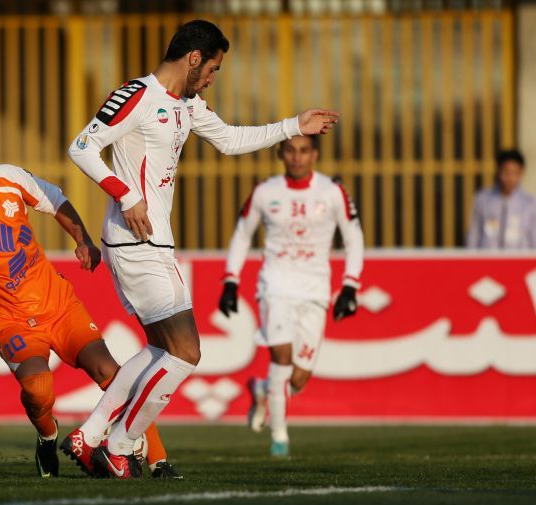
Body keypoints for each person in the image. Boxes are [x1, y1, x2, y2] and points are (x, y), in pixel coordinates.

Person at [64, 19, 339, 478]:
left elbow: (230, 140)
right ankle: (120, 443)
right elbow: (82, 147)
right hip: (134, 241)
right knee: (185, 352)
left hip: (155, 242)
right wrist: (126, 196)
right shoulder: (136, 95)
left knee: (161, 350)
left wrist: (294, 124)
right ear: (194, 59)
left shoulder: (186, 104)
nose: (212, 78)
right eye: (212, 69)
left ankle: (90, 434)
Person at [0, 119, 175, 479]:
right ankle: (46, 435)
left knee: (109, 371)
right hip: (10, 321)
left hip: (58, 304)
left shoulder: (8, 178)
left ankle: (159, 461)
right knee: (38, 389)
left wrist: (82, 239)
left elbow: (55, 200)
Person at [217, 134, 363, 456]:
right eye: (291, 151)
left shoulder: (332, 191)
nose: (297, 157)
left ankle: (261, 390)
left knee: (298, 378)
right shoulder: (265, 192)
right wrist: (231, 281)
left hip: (315, 290)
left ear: (314, 154)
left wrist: (351, 285)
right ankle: (279, 438)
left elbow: (353, 236)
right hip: (276, 286)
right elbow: (242, 235)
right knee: (281, 357)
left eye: (304, 151)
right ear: (281, 154)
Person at [467, 149, 536, 249]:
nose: (510, 178)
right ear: (498, 171)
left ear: (521, 173)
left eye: (514, 173)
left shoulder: (531, 204)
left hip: (519, 257)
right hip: (489, 257)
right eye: (506, 172)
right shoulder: (483, 200)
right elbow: (474, 236)